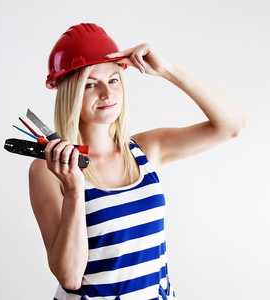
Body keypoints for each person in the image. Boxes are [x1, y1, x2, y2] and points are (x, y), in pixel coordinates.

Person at [28, 23, 247, 300]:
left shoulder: (146, 150)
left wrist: (167, 70)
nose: (107, 94)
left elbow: (232, 126)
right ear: (71, 93)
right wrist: (74, 190)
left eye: (114, 80)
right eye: (91, 84)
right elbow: (70, 277)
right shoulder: (49, 170)